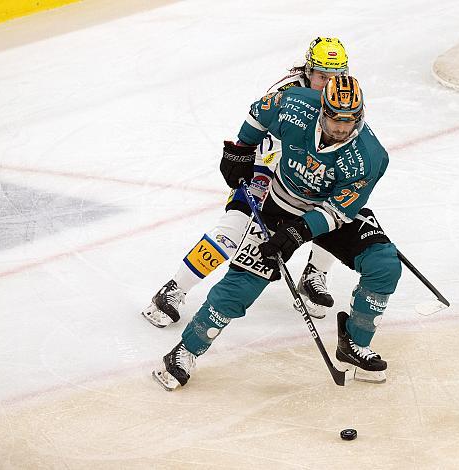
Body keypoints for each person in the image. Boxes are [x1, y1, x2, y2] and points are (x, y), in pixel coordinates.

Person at [152, 75, 402, 391]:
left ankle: (354, 344)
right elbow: (258, 114)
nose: (341, 128)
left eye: (349, 121)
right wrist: (241, 150)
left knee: (384, 265)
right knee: (242, 284)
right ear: (321, 109)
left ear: (361, 116)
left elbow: (338, 212)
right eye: (335, 119)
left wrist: (298, 233)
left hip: (328, 211)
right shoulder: (295, 103)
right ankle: (185, 350)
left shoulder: (370, 157)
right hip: (280, 202)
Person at [141, 38, 349, 328]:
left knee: (337, 217)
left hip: (307, 173)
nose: (328, 83)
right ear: (309, 69)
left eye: (335, 77)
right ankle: (175, 288)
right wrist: (244, 160)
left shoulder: (344, 95)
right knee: (235, 228)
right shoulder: (286, 93)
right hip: (267, 167)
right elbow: (259, 128)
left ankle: (314, 274)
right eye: (322, 76)